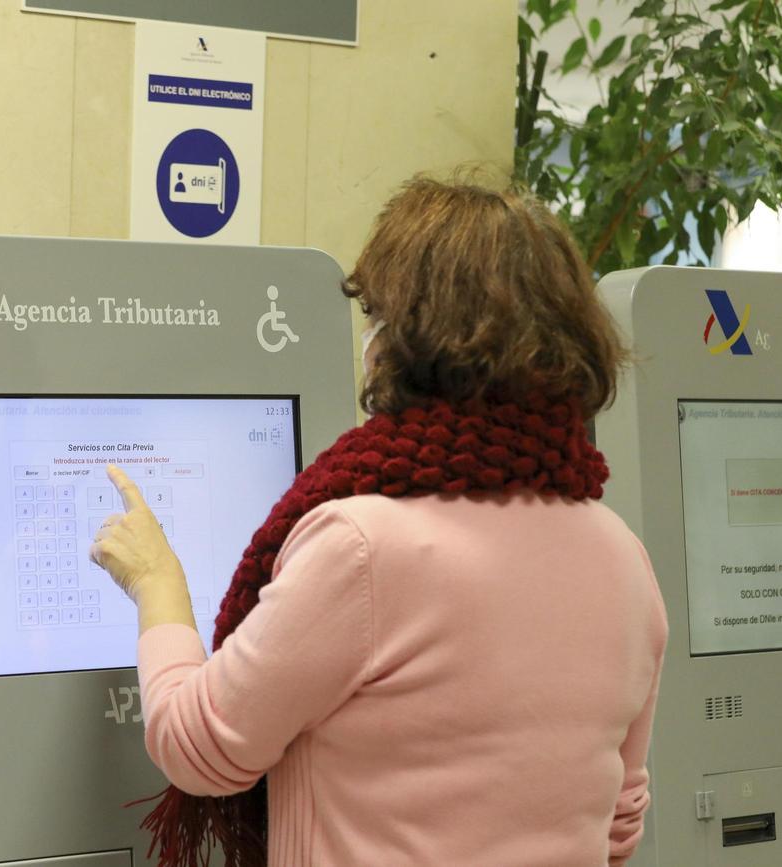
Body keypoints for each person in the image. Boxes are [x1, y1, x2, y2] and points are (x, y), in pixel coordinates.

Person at [91, 177, 668, 867]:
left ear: (406, 339)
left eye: (376, 316)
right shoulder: (621, 554)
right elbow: (619, 820)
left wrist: (159, 584)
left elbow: (200, 747)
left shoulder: (364, 547)